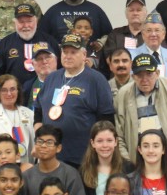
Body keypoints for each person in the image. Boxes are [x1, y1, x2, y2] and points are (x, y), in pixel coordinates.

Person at [33, 33, 115, 164]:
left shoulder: (96, 79)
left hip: (83, 157)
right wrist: (39, 135)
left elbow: (106, 118)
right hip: (51, 156)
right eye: (65, 52)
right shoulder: (52, 78)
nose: (68, 56)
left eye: (73, 52)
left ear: (84, 55)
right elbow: (38, 109)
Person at [114, 52, 167, 161]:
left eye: (149, 74)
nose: (145, 79)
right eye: (140, 75)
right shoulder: (123, 95)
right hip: (137, 160)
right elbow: (119, 134)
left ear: (157, 73)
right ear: (133, 76)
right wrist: (128, 161)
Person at [24, 124, 90, 195]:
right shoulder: (26, 176)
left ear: (58, 148)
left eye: (49, 142)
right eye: (39, 141)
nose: (43, 146)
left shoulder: (70, 174)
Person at [79, 121, 134, 195]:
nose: (105, 145)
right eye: (100, 141)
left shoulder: (128, 168)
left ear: (116, 142)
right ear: (93, 143)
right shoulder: (84, 171)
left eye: (109, 140)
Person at [0, 2, 48, 86]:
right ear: (14, 23)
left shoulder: (49, 42)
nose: (26, 25)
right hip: (13, 95)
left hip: (44, 94)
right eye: (21, 22)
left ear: (36, 21)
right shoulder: (5, 44)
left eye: (29, 21)